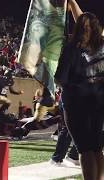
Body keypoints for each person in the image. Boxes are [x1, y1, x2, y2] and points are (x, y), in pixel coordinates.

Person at [55, 12, 104, 180]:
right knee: (96, 148)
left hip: (77, 104)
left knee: (85, 149)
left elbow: (60, 79)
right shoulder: (102, 46)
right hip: (98, 103)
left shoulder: (71, 48)